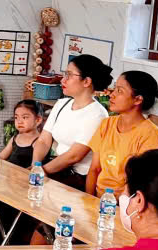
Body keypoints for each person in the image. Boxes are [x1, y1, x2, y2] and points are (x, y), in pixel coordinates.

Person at [0, 100, 48, 244]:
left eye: (25, 117)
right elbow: (1, 158)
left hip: (22, 185)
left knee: (1, 200)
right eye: (16, 117)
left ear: (38, 120)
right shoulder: (15, 138)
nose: (19, 121)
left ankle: (2, 236)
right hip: (8, 181)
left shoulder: (39, 142)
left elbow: (35, 168)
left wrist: (16, 175)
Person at [84, 71, 158, 196]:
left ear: (138, 99)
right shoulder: (107, 124)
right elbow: (94, 169)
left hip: (126, 203)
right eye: (114, 89)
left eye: (119, 91)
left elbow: (144, 186)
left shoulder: (152, 136)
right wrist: (89, 199)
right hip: (99, 199)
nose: (112, 95)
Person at [33, 55, 112, 191]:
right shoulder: (62, 104)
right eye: (65, 74)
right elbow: (44, 141)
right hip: (53, 169)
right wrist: (36, 166)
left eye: (69, 75)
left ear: (86, 81)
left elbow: (74, 156)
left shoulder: (98, 115)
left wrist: (40, 172)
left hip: (76, 178)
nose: (63, 80)